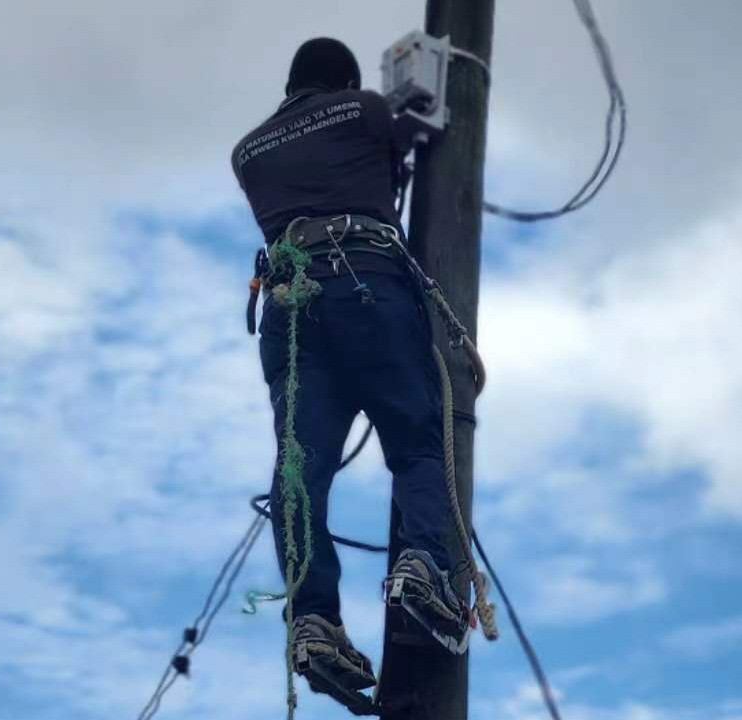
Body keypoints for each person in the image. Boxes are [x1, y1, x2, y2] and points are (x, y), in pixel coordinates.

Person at [230, 37, 468, 703]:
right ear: (343, 80)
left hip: (290, 303)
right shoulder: (363, 108)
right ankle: (423, 569)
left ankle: (314, 620)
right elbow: (390, 173)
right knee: (416, 438)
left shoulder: (246, 152)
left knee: (300, 476)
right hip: (364, 278)